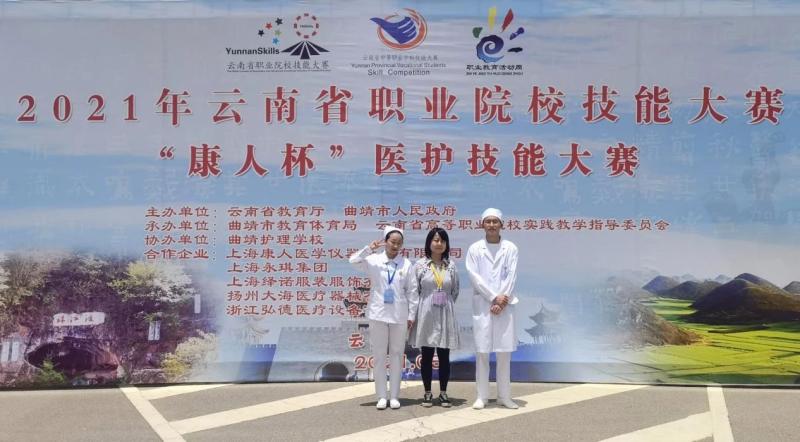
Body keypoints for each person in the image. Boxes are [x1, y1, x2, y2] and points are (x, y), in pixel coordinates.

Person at [349, 226, 418, 410]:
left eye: (399, 243)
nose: (395, 246)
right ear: (385, 241)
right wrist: (368, 249)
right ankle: (381, 395)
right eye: (392, 242)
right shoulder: (374, 260)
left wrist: (411, 315)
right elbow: (353, 261)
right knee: (379, 355)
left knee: (396, 354)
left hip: (399, 315)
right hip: (378, 312)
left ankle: (394, 395)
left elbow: (412, 291)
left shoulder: (406, 264)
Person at [466, 208, 520, 409]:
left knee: (504, 353)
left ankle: (504, 396)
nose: (491, 225)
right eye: (488, 221)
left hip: (504, 306)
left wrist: (501, 301)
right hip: (484, 305)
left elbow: (511, 276)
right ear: (482, 224)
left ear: (501, 224)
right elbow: (474, 277)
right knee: (482, 352)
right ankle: (482, 396)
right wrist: (493, 298)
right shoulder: (474, 249)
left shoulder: (511, 248)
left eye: (495, 221)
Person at [408, 227, 460, 408]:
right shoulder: (420, 265)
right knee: (427, 355)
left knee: (444, 355)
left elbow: (455, 291)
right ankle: (428, 392)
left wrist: (444, 302)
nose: (439, 244)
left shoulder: (450, 265)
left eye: (442, 241)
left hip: (445, 313)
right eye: (436, 240)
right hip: (426, 314)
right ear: (429, 243)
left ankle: (444, 393)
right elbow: (414, 291)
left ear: (447, 244)